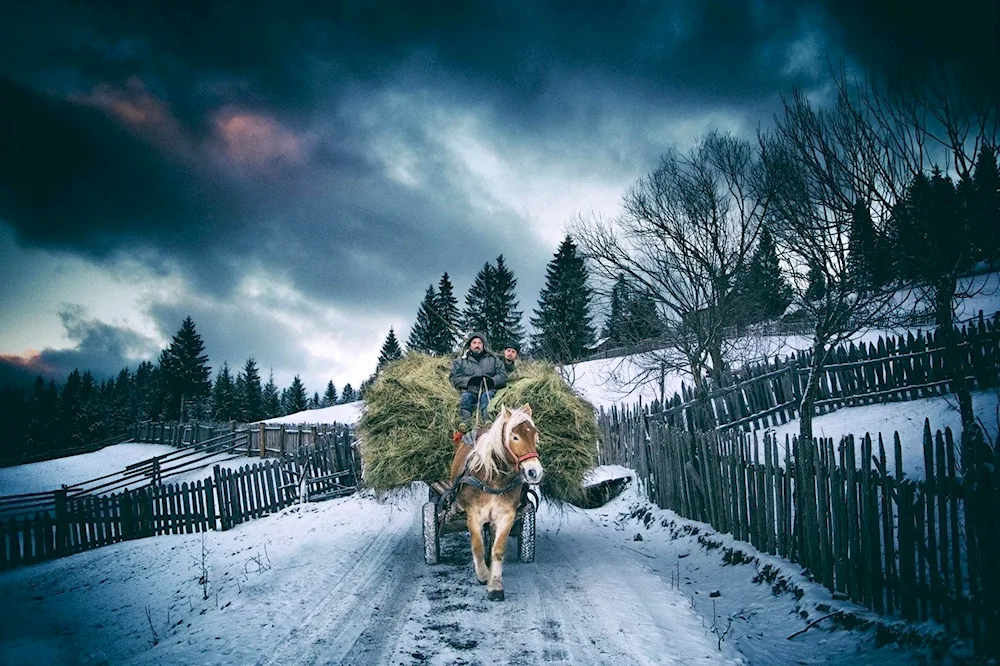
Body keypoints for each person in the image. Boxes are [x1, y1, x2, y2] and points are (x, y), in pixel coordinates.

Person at [449, 331, 507, 426]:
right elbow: (454, 378)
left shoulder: (494, 360)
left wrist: (492, 381)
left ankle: (487, 420)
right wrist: (469, 381)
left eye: (480, 343)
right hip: (469, 390)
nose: (477, 345)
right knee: (466, 399)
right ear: (470, 345)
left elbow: (503, 376)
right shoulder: (461, 361)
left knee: (486, 398)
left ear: (484, 345)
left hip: (488, 390)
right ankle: (464, 423)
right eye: (474, 343)